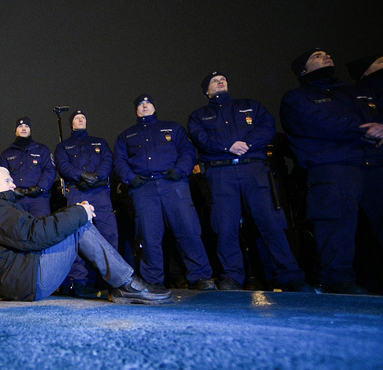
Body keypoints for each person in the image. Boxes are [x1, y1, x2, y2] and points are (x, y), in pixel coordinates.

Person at [0, 167, 171, 304]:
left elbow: (33, 231)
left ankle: (124, 282)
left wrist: (73, 212)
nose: (13, 184)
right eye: (8, 180)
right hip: (26, 282)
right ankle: (126, 284)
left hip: (23, 279)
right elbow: (33, 235)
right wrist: (79, 214)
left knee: (74, 221)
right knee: (78, 225)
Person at [188, 71, 313, 292]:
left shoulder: (250, 106)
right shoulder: (199, 115)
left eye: (223, 79)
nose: (220, 82)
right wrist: (227, 147)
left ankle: (289, 275)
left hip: (253, 169)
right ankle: (232, 276)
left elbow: (267, 128)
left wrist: (245, 143)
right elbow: (201, 138)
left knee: (271, 223)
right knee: (225, 227)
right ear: (206, 91)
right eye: (214, 82)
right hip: (221, 174)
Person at [280, 49, 383, 294]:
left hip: (374, 164)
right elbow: (317, 122)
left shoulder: (356, 92)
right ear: (303, 69)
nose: (325, 56)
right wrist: (363, 130)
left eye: (326, 53)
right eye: (317, 56)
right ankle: (338, 280)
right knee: (336, 225)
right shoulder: (298, 97)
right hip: (333, 168)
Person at [114, 94, 215, 291]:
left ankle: (201, 276)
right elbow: (119, 160)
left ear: (154, 106)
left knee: (188, 230)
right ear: (136, 110)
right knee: (148, 236)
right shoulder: (127, 135)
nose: (145, 106)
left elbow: (187, 151)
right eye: (141, 104)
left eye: (148, 103)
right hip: (144, 188)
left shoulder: (173, 128)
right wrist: (132, 179)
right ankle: (153, 280)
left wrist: (180, 171)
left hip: (173, 185)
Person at [54, 110, 121, 291]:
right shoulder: (63, 146)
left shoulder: (99, 142)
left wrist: (96, 177)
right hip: (77, 192)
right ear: (71, 124)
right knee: (77, 236)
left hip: (100, 192)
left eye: (83, 117)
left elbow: (108, 161)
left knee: (109, 234)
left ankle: (111, 279)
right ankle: (79, 281)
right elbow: (62, 165)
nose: (81, 119)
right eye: (77, 118)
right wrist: (81, 175)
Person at [0, 116, 56, 217]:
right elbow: (1, 176)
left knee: (41, 228)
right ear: (15, 131)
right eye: (20, 126)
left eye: (26, 126)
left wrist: (40, 188)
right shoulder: (6, 154)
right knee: (17, 230)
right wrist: (11, 191)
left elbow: (50, 170)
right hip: (16, 199)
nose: (24, 129)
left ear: (30, 130)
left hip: (39, 199)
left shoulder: (42, 150)